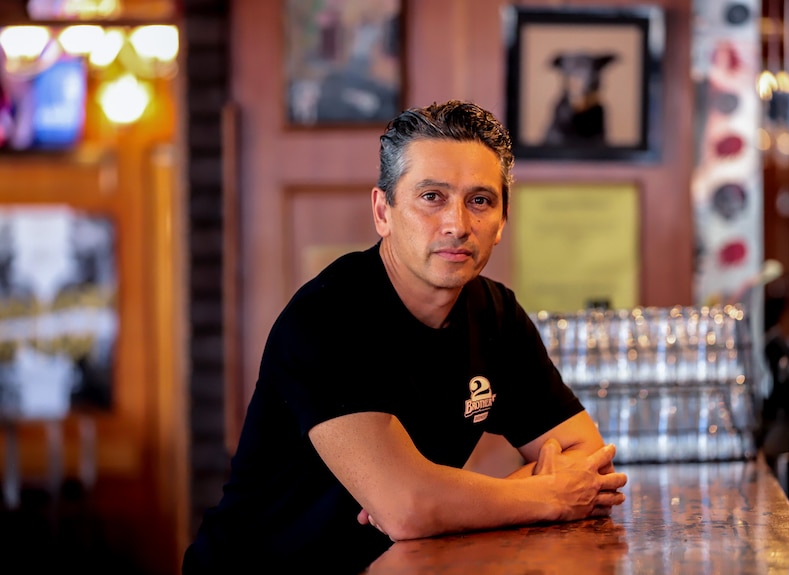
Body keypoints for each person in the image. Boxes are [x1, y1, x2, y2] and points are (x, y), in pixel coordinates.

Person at [182, 100, 628, 574]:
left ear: (501, 223)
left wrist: (443, 503)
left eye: (480, 200)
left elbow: (588, 458)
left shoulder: (497, 315)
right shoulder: (329, 316)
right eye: (431, 197)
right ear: (383, 211)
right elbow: (409, 508)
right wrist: (543, 496)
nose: (457, 224)